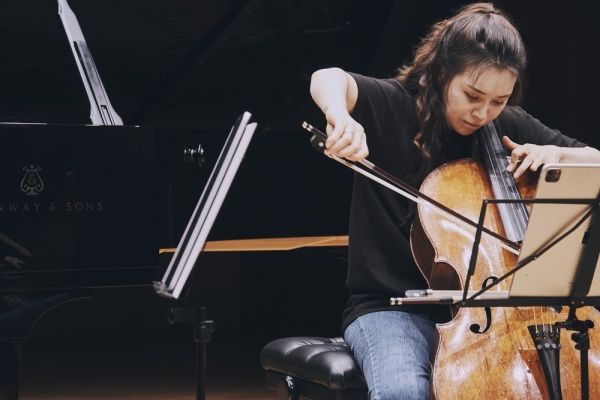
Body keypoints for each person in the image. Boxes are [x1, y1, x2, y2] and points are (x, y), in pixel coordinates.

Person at [309, 3, 600, 400]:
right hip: (391, 309)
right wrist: (339, 117)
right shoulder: (394, 105)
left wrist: (558, 155)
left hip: (494, 312)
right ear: (443, 73)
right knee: (402, 392)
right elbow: (328, 77)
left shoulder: (506, 124)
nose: (483, 113)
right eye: (472, 95)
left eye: (498, 100)